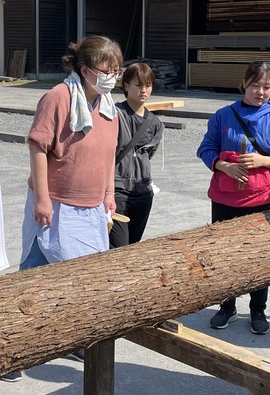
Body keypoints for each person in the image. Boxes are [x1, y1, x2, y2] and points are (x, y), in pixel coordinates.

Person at [196, 62, 270, 335]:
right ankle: (226, 306)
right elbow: (205, 148)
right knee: (224, 255)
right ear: (244, 83)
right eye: (255, 85)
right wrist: (223, 165)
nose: (261, 92)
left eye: (267, 86)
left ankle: (258, 309)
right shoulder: (222, 116)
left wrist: (265, 160)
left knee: (259, 256)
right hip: (223, 199)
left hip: (260, 200)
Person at [20, 35, 123, 271]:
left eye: (116, 71)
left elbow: (109, 153)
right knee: (40, 269)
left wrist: (109, 193)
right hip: (56, 205)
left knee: (84, 275)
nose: (112, 78)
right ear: (85, 71)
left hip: (93, 206)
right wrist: (42, 199)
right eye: (108, 71)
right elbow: (38, 147)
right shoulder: (58, 97)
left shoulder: (108, 106)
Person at [110, 62, 165, 248]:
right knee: (118, 248)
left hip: (142, 192)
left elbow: (148, 155)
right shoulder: (114, 114)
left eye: (148, 85)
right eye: (138, 85)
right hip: (116, 192)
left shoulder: (156, 123)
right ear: (126, 86)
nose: (144, 90)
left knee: (134, 247)